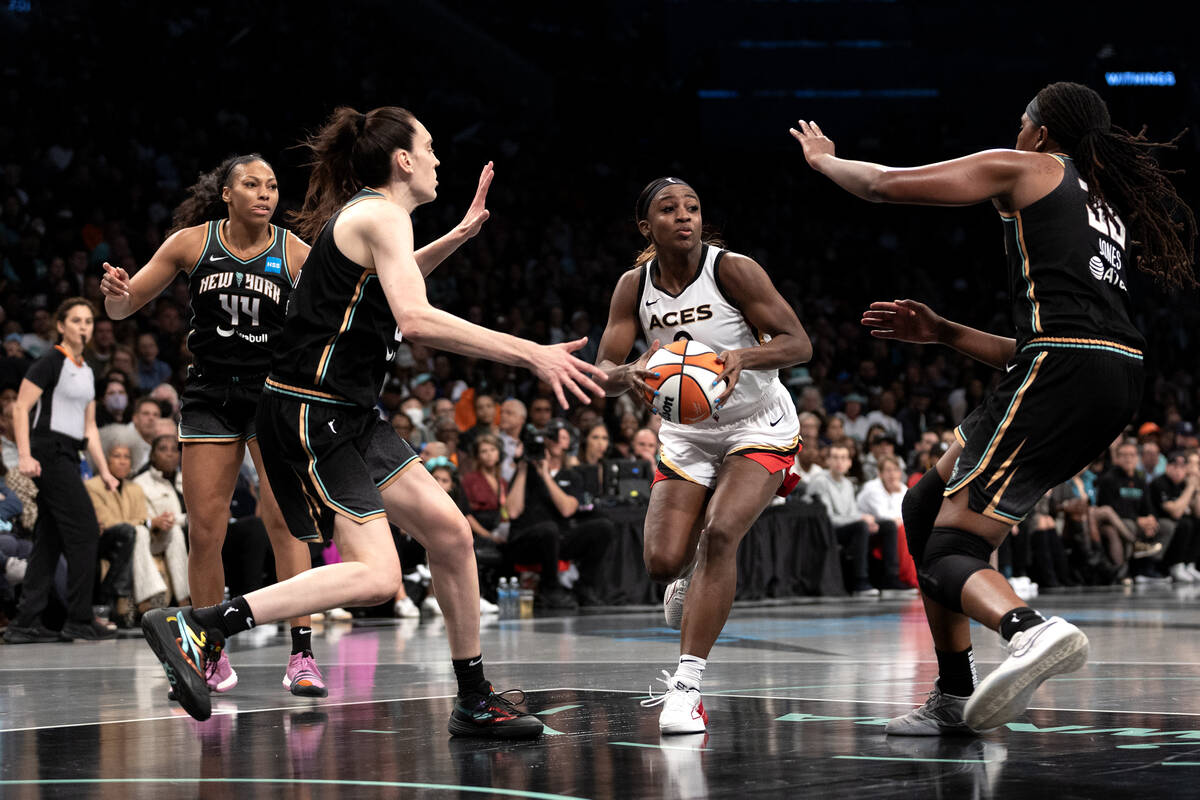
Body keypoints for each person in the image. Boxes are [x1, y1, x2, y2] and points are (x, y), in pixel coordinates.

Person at [140, 105, 605, 735]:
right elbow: (414, 318)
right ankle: (200, 625)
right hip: (310, 411)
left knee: (451, 533)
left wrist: (457, 237)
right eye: (430, 147)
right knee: (379, 576)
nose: (438, 159)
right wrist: (530, 352)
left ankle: (474, 698)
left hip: (349, 414)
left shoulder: (375, 218)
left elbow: (390, 285)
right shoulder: (380, 215)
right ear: (403, 160)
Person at [802, 80, 1195, 733]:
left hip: (1063, 368)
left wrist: (824, 161)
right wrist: (945, 332)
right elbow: (1050, 344)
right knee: (924, 505)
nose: (1016, 133)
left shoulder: (1027, 167)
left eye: (1021, 122)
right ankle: (954, 693)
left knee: (950, 547)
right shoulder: (1103, 207)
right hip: (1111, 374)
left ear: (1041, 132)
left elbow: (882, 185)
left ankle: (1028, 630)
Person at [101, 153, 326, 696]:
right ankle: (210, 654)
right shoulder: (191, 243)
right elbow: (123, 309)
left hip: (272, 396)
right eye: (251, 184)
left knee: (284, 523)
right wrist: (117, 296)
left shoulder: (295, 252)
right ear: (227, 193)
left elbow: (336, 313)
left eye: (272, 186)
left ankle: (302, 655)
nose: (265, 193)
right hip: (210, 396)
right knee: (205, 530)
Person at [595, 177, 812, 733]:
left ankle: (686, 689)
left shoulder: (733, 270)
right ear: (647, 227)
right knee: (662, 562)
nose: (684, 216)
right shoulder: (632, 286)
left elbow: (799, 344)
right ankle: (686, 578)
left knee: (720, 533)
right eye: (669, 209)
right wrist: (629, 372)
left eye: (691, 207)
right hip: (686, 433)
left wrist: (744, 355)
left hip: (755, 424)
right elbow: (604, 374)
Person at [4, 298, 120, 643]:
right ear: (60, 325)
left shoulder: (87, 371)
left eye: (88, 321)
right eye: (76, 320)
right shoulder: (49, 362)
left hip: (69, 452)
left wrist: (104, 471)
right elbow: (21, 408)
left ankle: (25, 621)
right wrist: (24, 455)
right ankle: (79, 618)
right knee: (85, 529)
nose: (83, 327)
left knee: (49, 537)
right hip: (48, 451)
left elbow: (90, 428)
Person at [506, 419, 614, 609]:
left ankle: (584, 586)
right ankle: (550, 589)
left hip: (558, 539)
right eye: (552, 436)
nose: (556, 441)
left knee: (603, 527)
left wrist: (546, 475)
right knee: (549, 529)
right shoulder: (525, 473)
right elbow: (512, 512)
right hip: (526, 540)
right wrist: (523, 469)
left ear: (569, 443)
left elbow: (567, 509)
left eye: (562, 437)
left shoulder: (572, 476)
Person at [805, 444, 877, 596]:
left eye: (844, 458)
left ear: (849, 463)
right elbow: (828, 518)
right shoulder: (820, 481)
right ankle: (860, 581)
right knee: (861, 527)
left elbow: (852, 513)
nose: (840, 462)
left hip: (844, 527)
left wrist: (865, 520)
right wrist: (861, 518)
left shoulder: (848, 484)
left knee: (886, 526)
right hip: (824, 531)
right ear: (828, 461)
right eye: (835, 457)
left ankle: (890, 579)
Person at [132, 435, 191, 607]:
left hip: (193, 531)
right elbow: (143, 517)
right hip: (156, 537)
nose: (170, 454)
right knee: (175, 532)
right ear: (152, 455)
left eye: (174, 449)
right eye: (163, 449)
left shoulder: (187, 479)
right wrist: (184, 520)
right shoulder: (141, 483)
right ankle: (183, 599)